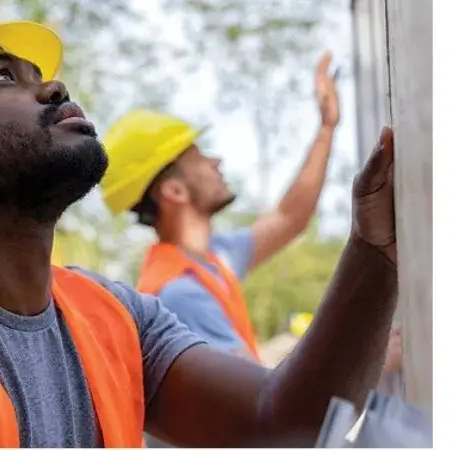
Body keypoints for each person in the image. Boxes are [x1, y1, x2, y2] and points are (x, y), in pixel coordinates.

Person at [0, 21, 399, 447]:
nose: (53, 85)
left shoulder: (114, 316)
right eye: (0, 77)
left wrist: (376, 251)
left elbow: (281, 426)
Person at [96, 51, 341, 358]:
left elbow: (289, 218)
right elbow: (262, 397)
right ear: (175, 190)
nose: (216, 161)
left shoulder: (212, 259)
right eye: (198, 157)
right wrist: (367, 358)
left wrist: (326, 129)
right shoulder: (181, 293)